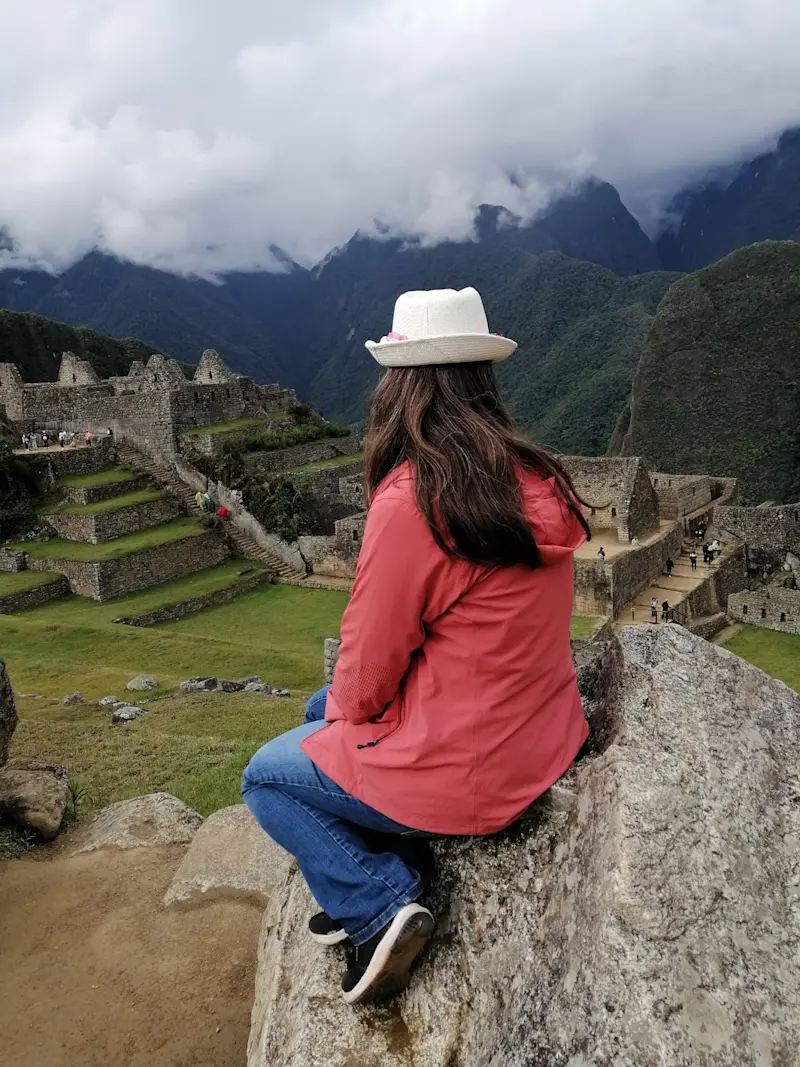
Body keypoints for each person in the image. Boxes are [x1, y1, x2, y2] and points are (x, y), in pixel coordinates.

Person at [241, 287, 592, 1006]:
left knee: (266, 777)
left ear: (401, 388)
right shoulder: (533, 475)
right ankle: (391, 852)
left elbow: (368, 672)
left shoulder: (416, 499)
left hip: (473, 770)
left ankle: (378, 903)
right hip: (541, 734)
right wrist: (337, 713)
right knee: (317, 710)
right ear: (482, 380)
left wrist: (346, 714)